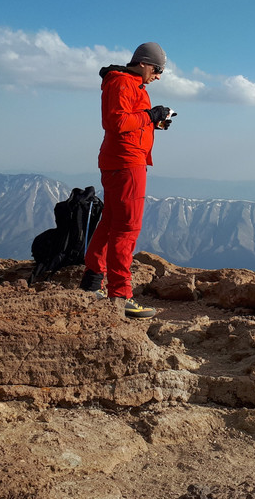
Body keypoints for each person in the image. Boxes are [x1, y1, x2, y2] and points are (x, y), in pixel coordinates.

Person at [80, 42, 174, 319]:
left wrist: (154, 122)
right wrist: (150, 115)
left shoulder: (132, 84)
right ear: (143, 63)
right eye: (157, 69)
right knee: (127, 228)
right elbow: (116, 122)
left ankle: (92, 283)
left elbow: (130, 121)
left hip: (121, 160)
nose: (158, 76)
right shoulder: (122, 83)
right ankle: (120, 295)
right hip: (127, 163)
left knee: (110, 221)